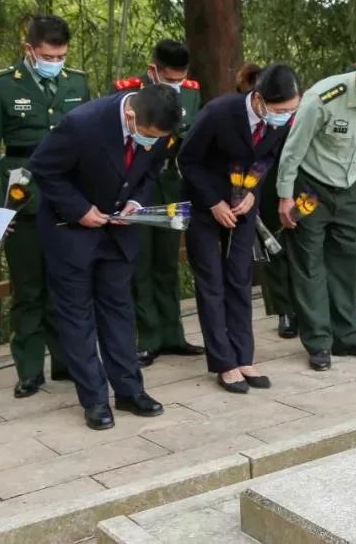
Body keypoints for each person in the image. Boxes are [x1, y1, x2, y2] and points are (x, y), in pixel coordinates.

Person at [30, 84, 182, 430]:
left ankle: (130, 391)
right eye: (147, 135)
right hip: (71, 230)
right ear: (131, 116)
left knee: (119, 311)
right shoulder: (84, 123)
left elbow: (150, 171)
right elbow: (44, 168)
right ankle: (95, 399)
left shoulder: (158, 131)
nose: (151, 142)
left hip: (119, 231)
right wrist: (79, 209)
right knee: (78, 317)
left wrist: (137, 204)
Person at [276, 52, 356, 371]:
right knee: (310, 263)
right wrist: (284, 196)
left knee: (348, 260)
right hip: (311, 187)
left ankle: (347, 336)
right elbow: (293, 150)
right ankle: (319, 342)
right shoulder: (322, 98)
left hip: (350, 188)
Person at [179, 64, 300, 393]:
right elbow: (187, 160)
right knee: (212, 282)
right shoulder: (219, 112)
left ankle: (244, 356)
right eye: (281, 110)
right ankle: (224, 362)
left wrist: (251, 194)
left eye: (292, 110)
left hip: (244, 205)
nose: (286, 117)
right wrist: (214, 203)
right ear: (259, 99)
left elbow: (269, 156)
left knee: (240, 278)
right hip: (207, 205)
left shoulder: (283, 120)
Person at [0, 14, 90, 398]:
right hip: (22, 200)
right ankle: (30, 369)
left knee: (67, 285)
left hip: (68, 198)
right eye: (49, 54)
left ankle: (67, 362)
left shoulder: (77, 82)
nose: (56, 60)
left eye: (61, 54)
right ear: (29, 50)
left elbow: (90, 141)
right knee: (29, 288)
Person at [112, 40, 205, 368]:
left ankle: (173, 334)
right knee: (142, 262)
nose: (176, 85)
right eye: (169, 79)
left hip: (173, 182)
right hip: (138, 184)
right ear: (153, 71)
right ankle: (148, 337)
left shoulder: (193, 92)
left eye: (180, 79)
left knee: (167, 261)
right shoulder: (131, 92)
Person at [238, 64, 299, 339]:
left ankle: (306, 308)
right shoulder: (239, 114)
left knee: (300, 247)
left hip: (294, 182)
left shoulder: (292, 111)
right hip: (259, 185)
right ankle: (284, 310)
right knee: (272, 248)